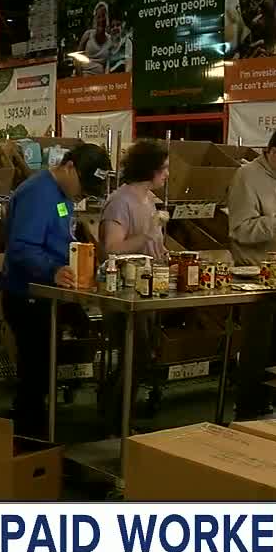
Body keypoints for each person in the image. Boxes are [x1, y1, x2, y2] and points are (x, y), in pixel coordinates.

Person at [3, 143, 111, 439]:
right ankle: (29, 438)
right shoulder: (38, 194)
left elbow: (56, 237)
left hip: (45, 296)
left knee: (41, 369)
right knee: (35, 371)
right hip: (27, 296)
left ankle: (33, 428)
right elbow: (21, 247)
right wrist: (51, 270)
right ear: (70, 167)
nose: (83, 194)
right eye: (84, 186)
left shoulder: (59, 194)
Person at [228, 125, 276, 419]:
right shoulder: (246, 177)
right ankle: (247, 410)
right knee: (256, 350)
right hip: (254, 277)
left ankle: (267, 403)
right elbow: (239, 229)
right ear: (273, 152)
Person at [98, 140, 169, 425]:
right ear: (148, 169)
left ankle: (116, 415)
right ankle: (115, 421)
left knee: (140, 357)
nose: (166, 175)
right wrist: (148, 236)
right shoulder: (120, 201)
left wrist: (162, 252)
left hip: (149, 288)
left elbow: (155, 243)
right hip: (124, 291)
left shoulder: (150, 200)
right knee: (134, 356)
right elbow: (112, 247)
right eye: (163, 169)